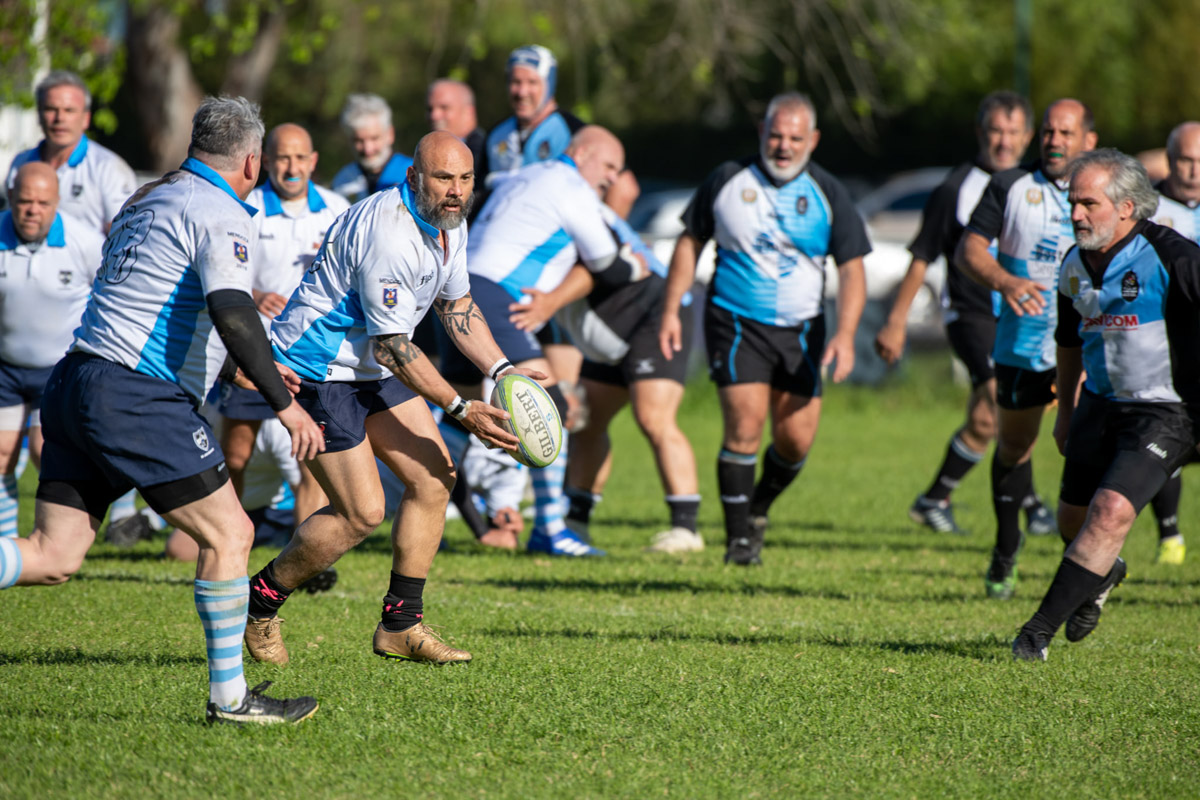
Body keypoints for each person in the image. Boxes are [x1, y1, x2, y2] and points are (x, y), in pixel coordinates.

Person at [0, 96, 325, 724]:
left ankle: (231, 699)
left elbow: (159, 304)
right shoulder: (221, 210)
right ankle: (231, 701)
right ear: (251, 160)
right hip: (133, 393)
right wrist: (287, 406)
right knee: (232, 533)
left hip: (76, 378)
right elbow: (234, 311)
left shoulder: (147, 198)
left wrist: (236, 370)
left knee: (53, 556)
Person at [245, 131, 538, 667]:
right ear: (414, 177)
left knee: (435, 476)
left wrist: (502, 371)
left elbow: (458, 305)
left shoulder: (450, 222)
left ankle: (401, 626)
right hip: (317, 370)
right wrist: (461, 408)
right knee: (361, 514)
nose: (456, 190)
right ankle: (260, 601)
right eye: (444, 178)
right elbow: (396, 348)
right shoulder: (390, 233)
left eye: (466, 178)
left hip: (370, 366)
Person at [659, 92, 870, 566]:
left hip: (802, 330)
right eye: (776, 134)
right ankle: (738, 543)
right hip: (735, 321)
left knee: (796, 440)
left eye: (795, 137)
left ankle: (757, 509)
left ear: (812, 140)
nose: (784, 145)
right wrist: (672, 308)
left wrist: (844, 334)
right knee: (745, 425)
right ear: (761, 132)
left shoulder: (827, 192)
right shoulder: (728, 179)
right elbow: (689, 242)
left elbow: (853, 268)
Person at [1012, 149, 1200, 660]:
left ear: (1127, 207)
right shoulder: (1074, 262)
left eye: (1088, 203)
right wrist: (1068, 412)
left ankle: (1035, 634)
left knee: (1112, 511)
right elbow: (1069, 341)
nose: (1075, 214)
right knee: (1074, 523)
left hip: (1166, 411)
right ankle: (1105, 573)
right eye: (1073, 203)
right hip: (1098, 404)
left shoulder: (1175, 257)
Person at [437, 125, 646, 558]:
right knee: (556, 405)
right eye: (609, 166)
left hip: (456, 292)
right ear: (583, 152)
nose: (611, 178)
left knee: (463, 419)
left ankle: (427, 494)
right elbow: (607, 263)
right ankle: (551, 529)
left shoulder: (531, 174)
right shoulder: (570, 185)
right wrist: (636, 266)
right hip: (495, 299)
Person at [876, 91, 1056, 537]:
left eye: (1014, 132)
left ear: (1028, 136)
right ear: (981, 132)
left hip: (1022, 316)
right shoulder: (956, 189)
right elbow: (921, 257)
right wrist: (896, 322)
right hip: (970, 314)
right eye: (996, 130)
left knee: (1000, 414)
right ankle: (1025, 505)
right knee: (999, 401)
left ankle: (944, 497)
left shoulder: (1035, 186)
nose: (1004, 140)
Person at [955, 98, 1096, 599]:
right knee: (1014, 446)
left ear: (1088, 141)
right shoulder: (1011, 185)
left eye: (1065, 131)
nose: (1054, 140)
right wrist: (1004, 280)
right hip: (1023, 343)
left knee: (1085, 451)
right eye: (1048, 131)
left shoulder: (1110, 191)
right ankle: (1006, 548)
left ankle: (1085, 565)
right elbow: (969, 248)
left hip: (1091, 348)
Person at [516, 206, 703, 552]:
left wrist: (550, 302)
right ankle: (576, 520)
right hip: (609, 338)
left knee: (654, 418)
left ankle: (686, 529)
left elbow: (591, 268)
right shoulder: (530, 205)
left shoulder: (571, 203)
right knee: (587, 421)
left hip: (652, 317)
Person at [218, 123, 347, 530]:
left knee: (311, 455)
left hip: (314, 352)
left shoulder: (337, 209)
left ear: (313, 162)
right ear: (267, 161)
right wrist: (256, 295)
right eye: (283, 157)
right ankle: (228, 536)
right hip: (255, 348)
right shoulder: (245, 206)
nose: (292, 167)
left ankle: (301, 550)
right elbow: (221, 273)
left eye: (300, 158)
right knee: (236, 454)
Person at [0, 163, 103, 539]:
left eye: (42, 203)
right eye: (24, 201)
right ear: (10, 198)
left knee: (46, 453)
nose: (32, 210)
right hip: (6, 367)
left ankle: (60, 537)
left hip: (59, 369)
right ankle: (6, 544)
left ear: (57, 202)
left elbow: (112, 295)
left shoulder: (85, 242)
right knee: (1, 455)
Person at [1142, 121, 1200, 564]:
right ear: (1169, 159)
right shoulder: (1146, 209)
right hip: (1162, 341)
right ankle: (1170, 534)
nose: (1195, 170)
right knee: (1165, 429)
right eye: (1185, 159)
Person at [6, 70, 137, 234]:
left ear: (86, 118)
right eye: (51, 109)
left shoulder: (109, 168)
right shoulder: (21, 163)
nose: (59, 118)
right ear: (38, 115)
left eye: (69, 110)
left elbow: (124, 236)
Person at [330, 94, 413, 204]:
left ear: (390, 134)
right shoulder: (342, 181)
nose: (367, 149)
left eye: (374, 138)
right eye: (359, 140)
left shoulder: (414, 173)